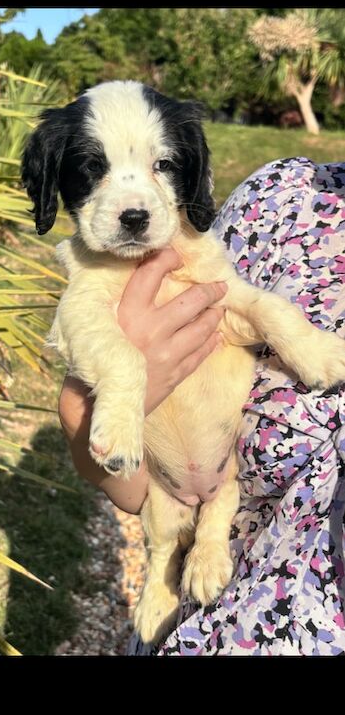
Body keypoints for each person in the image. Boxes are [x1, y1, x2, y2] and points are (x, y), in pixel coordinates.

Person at [58, 156, 345, 656]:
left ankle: (197, 545)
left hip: (259, 577)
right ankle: (162, 562)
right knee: (164, 529)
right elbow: (222, 310)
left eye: (160, 164)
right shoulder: (280, 198)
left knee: (216, 506)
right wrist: (96, 404)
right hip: (166, 510)